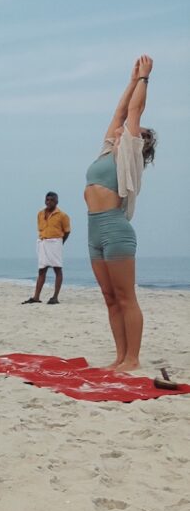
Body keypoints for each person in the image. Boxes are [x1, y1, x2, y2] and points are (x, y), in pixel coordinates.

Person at [85, 55, 156, 371]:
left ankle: (133, 358)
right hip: (94, 230)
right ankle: (120, 356)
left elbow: (132, 112)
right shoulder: (106, 151)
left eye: (126, 131)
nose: (118, 130)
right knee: (109, 297)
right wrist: (129, 81)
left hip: (115, 228)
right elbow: (118, 112)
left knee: (126, 297)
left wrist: (144, 79)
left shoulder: (129, 154)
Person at [22, 192, 71, 304]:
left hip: (55, 242)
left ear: (57, 201)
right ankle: (36, 297)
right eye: (47, 200)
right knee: (41, 270)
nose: (49, 202)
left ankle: (55, 297)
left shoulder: (63, 215)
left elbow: (67, 231)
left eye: (52, 200)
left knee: (57, 269)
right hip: (43, 242)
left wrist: (60, 242)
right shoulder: (40, 214)